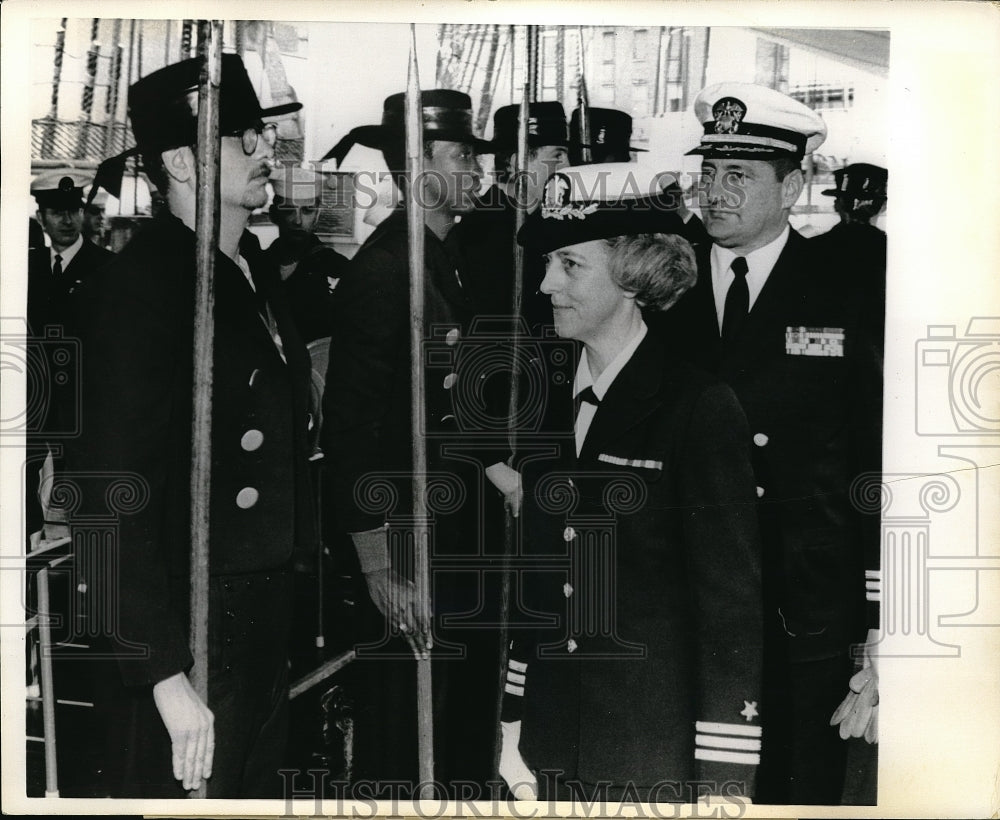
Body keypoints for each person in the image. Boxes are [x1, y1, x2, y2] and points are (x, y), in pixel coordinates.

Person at [68, 53, 316, 798]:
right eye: (245, 138)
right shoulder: (140, 289)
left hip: (263, 616)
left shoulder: (250, 271)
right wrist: (163, 674)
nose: (267, 151)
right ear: (181, 161)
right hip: (187, 629)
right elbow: (104, 495)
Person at [498, 163, 763, 802]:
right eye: (548, 263)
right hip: (548, 744)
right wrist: (511, 721)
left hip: (648, 751)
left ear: (632, 275)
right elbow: (542, 580)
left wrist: (723, 782)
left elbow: (729, 606)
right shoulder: (545, 397)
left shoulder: (696, 406)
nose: (545, 284)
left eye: (569, 265)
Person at [664, 82, 883, 804]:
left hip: (805, 597)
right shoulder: (663, 288)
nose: (715, 192)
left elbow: (875, 453)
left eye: (738, 175)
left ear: (791, 189)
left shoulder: (847, 289)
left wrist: (883, 615)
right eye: (709, 172)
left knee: (796, 785)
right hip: (687, 589)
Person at [320, 89, 521, 795]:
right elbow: (350, 430)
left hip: (458, 532)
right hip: (411, 542)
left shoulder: (446, 257)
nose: (475, 168)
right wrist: (379, 564)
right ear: (418, 164)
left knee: (461, 717)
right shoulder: (386, 271)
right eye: (462, 154)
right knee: (408, 730)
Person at [26, 171, 114, 538]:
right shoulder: (26, 266)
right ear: (41, 217)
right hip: (35, 399)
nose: (67, 220)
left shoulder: (106, 267)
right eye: (56, 212)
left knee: (83, 495)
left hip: (84, 400)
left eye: (73, 211)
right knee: (27, 487)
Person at [451, 101, 570, 324]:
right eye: (558, 156)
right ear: (519, 163)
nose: (568, 167)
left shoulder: (543, 219)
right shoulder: (481, 232)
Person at [568, 105, 710, 248]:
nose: (629, 161)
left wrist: (680, 209)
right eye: (619, 158)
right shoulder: (636, 205)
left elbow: (699, 242)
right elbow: (698, 242)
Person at [264, 164, 348, 342]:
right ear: (273, 214)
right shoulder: (257, 263)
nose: (298, 221)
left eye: (307, 211)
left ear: (317, 216)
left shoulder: (337, 267)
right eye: (288, 210)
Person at [811, 163, 887, 351]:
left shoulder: (812, 249)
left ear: (837, 204)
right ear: (882, 207)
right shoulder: (894, 253)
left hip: (827, 349)